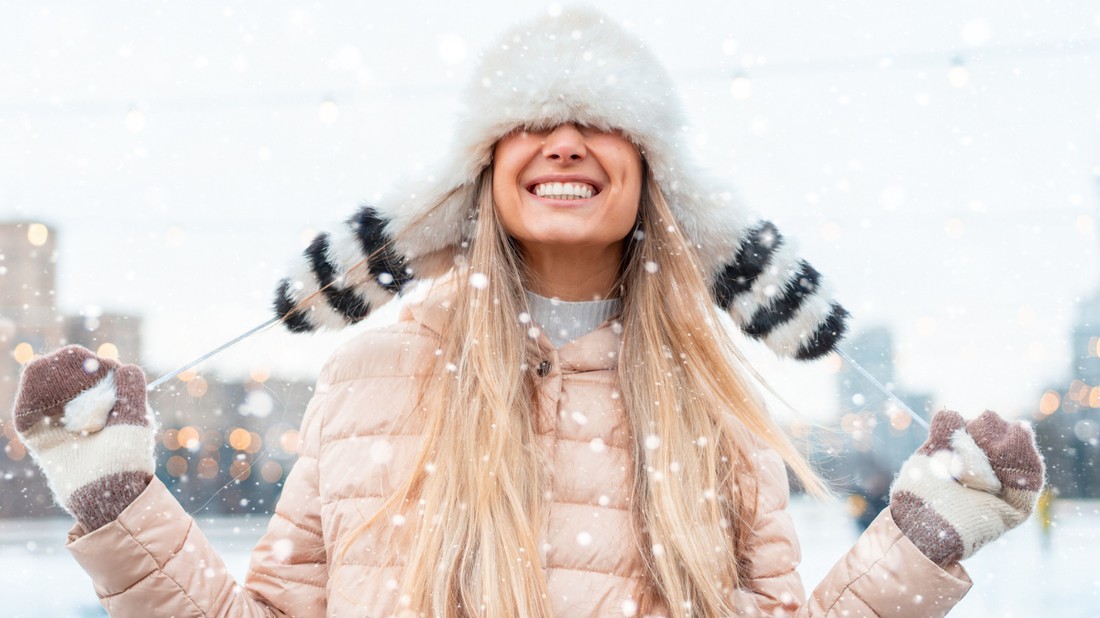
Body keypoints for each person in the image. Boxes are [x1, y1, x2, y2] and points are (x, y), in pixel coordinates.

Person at [12, 8, 1044, 617]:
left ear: (652, 177)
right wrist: (117, 498)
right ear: (481, 171)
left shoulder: (714, 411)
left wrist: (920, 538)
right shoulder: (369, 378)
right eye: (527, 123)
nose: (561, 143)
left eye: (599, 122)